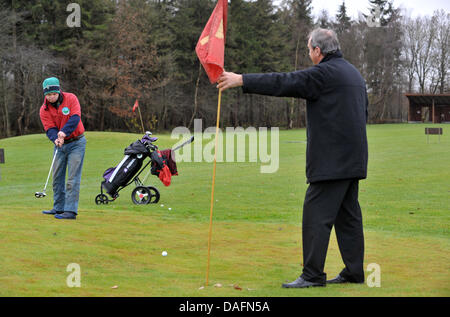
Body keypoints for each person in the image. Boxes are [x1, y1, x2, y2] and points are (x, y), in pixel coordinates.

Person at [217, 28, 368, 288]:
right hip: (353, 160)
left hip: (331, 162)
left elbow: (284, 81)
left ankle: (312, 275)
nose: (309, 54)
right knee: (348, 216)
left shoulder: (324, 74)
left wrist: (242, 79)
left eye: (309, 49)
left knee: (316, 216)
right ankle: (354, 271)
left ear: (318, 51)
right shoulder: (354, 74)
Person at [39, 77, 86, 220]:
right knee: (57, 177)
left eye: (53, 94)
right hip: (60, 145)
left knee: (72, 178)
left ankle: (70, 211)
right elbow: (49, 128)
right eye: (48, 95)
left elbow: (75, 117)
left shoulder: (71, 98)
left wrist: (64, 132)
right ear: (45, 95)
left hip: (76, 142)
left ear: (59, 91)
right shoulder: (44, 109)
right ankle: (58, 207)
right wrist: (55, 139)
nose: (51, 97)